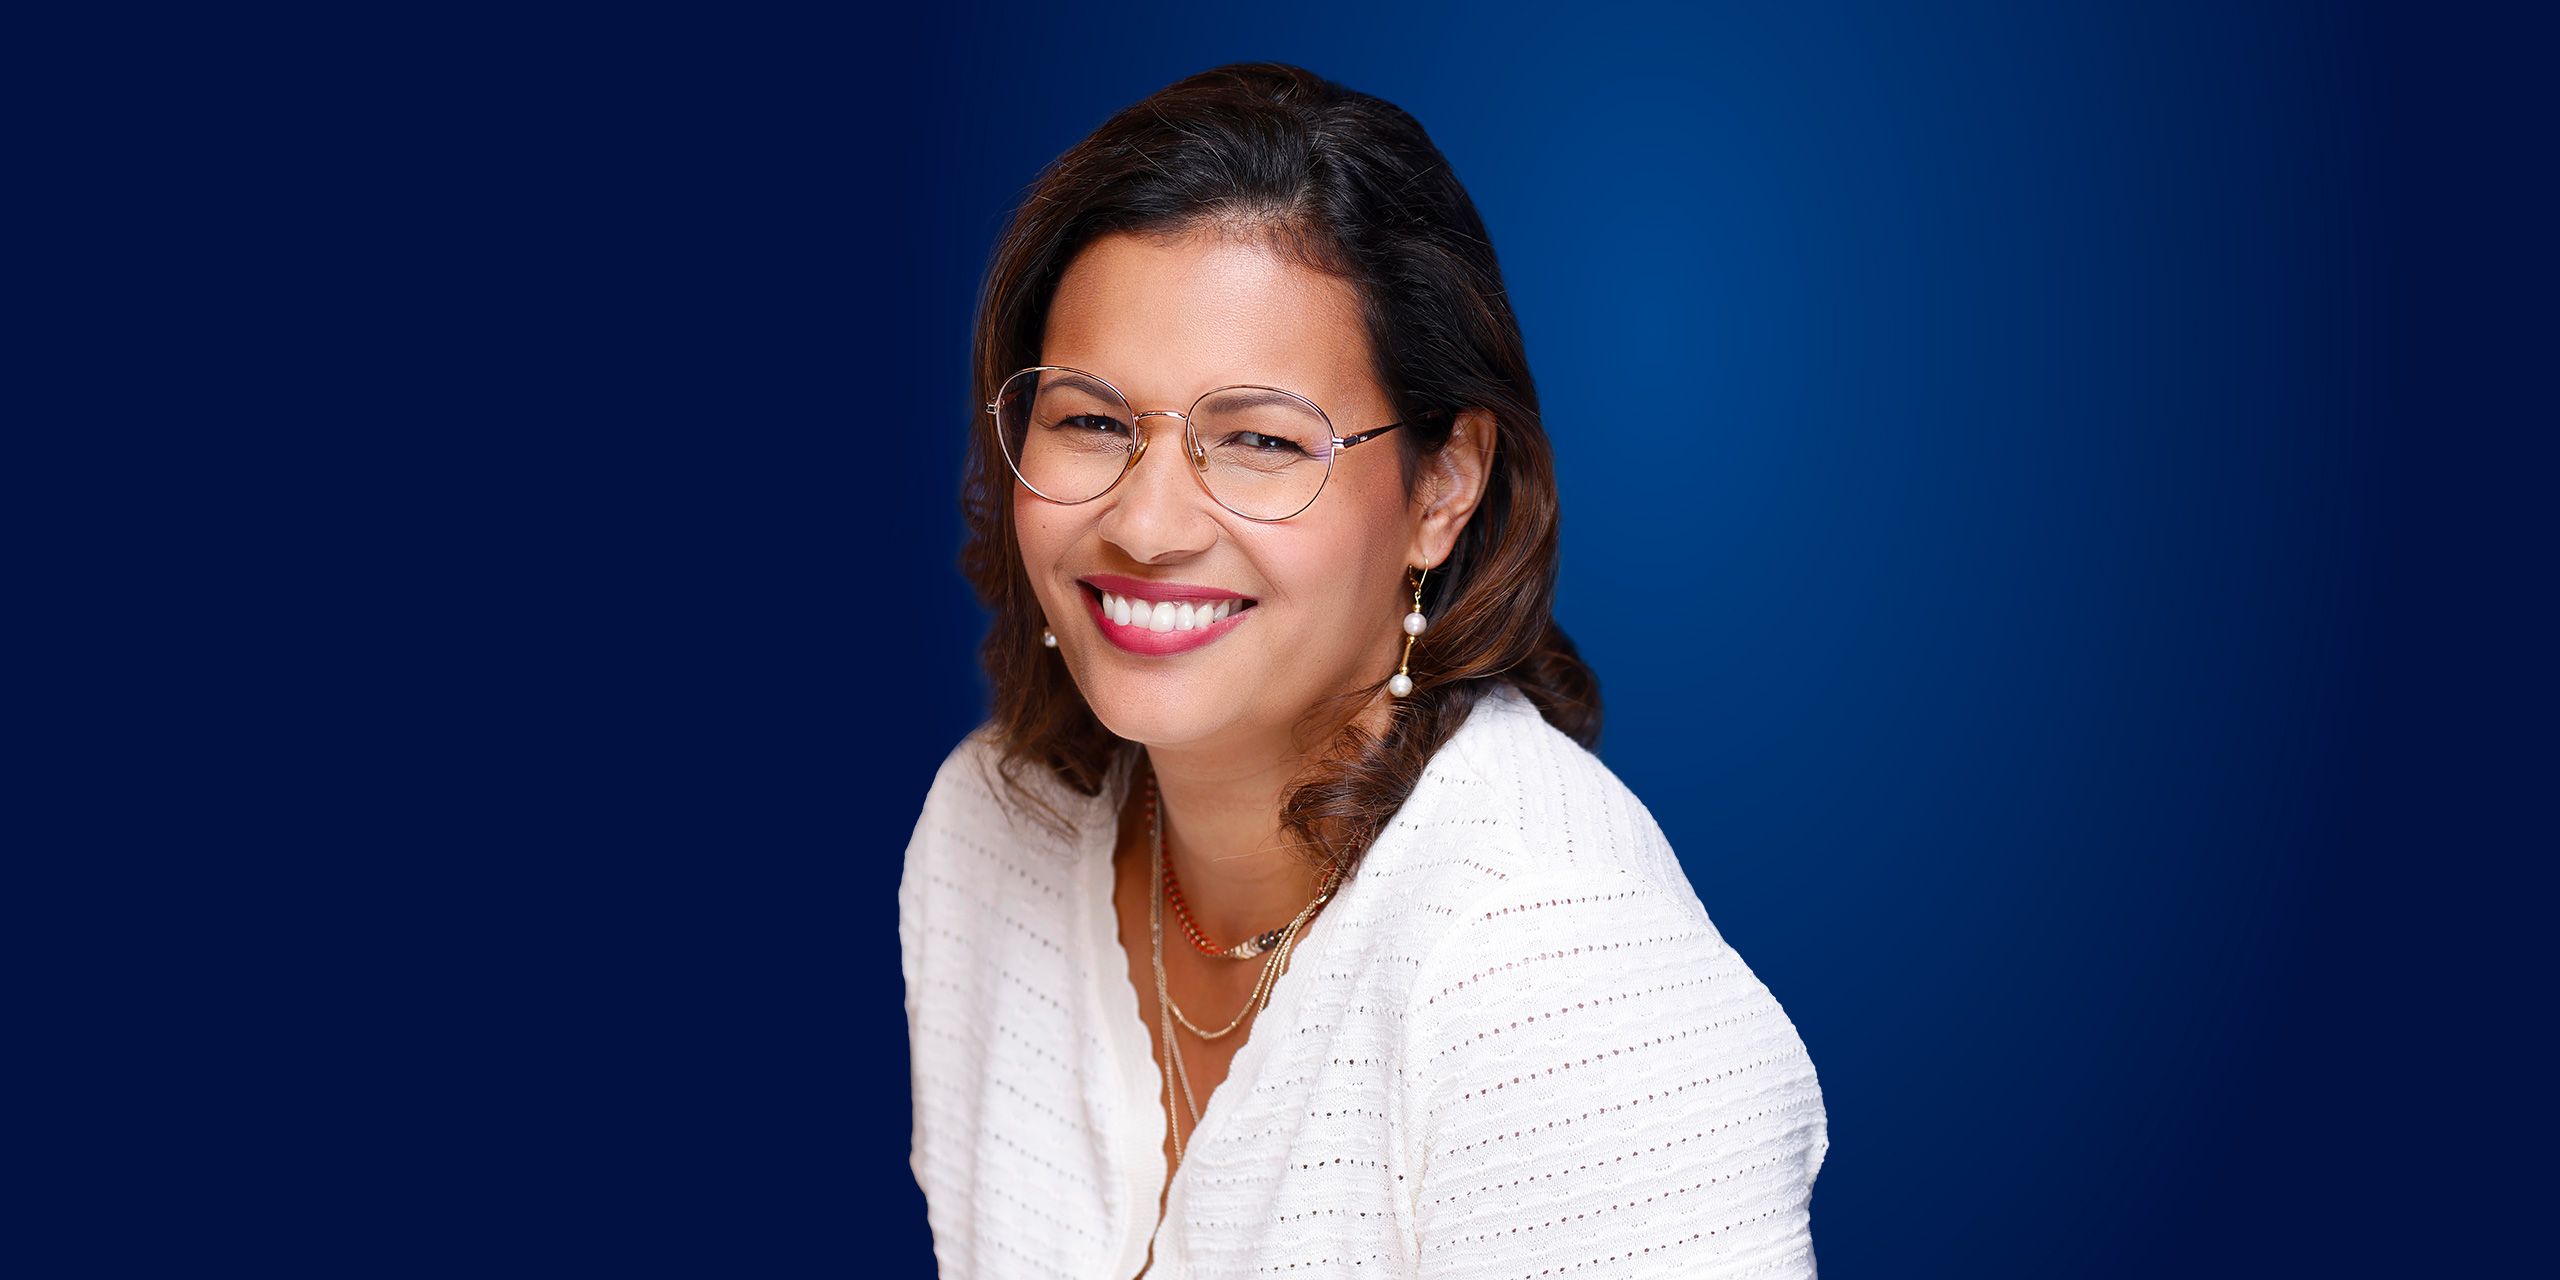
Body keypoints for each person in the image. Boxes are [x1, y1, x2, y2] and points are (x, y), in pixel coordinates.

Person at [900, 61, 1828, 1279]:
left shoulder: (1556, 971)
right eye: (1090, 420)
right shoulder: (987, 829)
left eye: (1259, 439)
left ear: (1442, 487)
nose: (1146, 523)